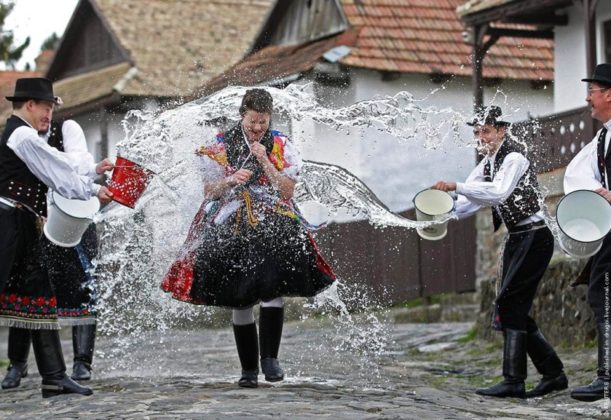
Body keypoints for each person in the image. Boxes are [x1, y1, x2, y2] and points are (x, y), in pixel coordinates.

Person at [161, 88, 336, 388]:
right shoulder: (218, 145)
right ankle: (248, 370)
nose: (257, 128)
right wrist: (229, 180)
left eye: (263, 122)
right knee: (239, 297)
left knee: (272, 285)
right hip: (232, 222)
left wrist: (266, 161)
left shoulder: (281, 144)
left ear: (270, 119)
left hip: (273, 221)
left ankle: (271, 360)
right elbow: (209, 191)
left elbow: (287, 192)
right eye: (253, 121)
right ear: (242, 114)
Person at [431, 105, 567, 398]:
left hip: (535, 238)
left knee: (509, 305)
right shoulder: (487, 163)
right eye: (478, 132)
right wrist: (442, 211)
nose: (482, 137)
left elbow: (499, 192)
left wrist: (458, 185)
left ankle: (515, 381)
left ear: (502, 130)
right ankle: (553, 374)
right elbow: (472, 202)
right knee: (512, 307)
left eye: (487, 131)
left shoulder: (514, 157)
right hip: (518, 238)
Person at [0, 77, 112, 398]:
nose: (49, 113)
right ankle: (52, 375)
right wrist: (92, 187)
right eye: (46, 107)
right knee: (36, 294)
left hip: (22, 224)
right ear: (30, 105)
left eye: (51, 108)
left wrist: (90, 179)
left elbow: (58, 167)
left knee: (38, 297)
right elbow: (55, 168)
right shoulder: (22, 134)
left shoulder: (22, 133)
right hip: (10, 225)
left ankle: (53, 376)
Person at [564, 63, 611, 402]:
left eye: (592, 92)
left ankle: (607, 378)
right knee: (601, 294)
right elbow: (575, 174)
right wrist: (596, 190)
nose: (587, 98)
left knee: (602, 295)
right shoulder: (602, 137)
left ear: (609, 94)